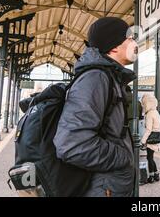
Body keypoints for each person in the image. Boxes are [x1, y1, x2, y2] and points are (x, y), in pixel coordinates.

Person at [53, 17, 138, 197]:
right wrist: (123, 158)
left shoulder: (108, 77)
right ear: (114, 46)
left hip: (109, 186)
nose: (134, 43)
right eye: (129, 38)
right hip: (102, 188)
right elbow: (71, 143)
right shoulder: (95, 78)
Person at [140, 93, 160, 183]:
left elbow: (148, 130)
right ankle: (156, 175)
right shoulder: (156, 112)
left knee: (149, 158)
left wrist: (142, 141)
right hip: (157, 136)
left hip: (151, 138)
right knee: (151, 157)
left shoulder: (149, 114)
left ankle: (151, 177)